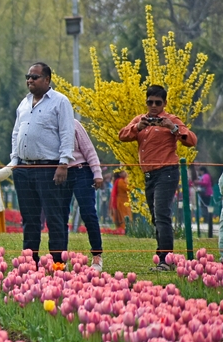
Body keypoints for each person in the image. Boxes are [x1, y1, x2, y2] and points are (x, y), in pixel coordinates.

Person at [118, 84, 197, 270]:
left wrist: (174, 128)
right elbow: (122, 135)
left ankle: (165, 260)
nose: (153, 106)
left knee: (162, 214)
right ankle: (163, 256)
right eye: (150, 102)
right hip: (149, 174)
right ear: (146, 102)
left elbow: (191, 140)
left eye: (157, 103)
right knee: (156, 216)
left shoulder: (171, 119)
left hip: (167, 171)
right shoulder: (140, 119)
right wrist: (137, 127)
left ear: (164, 103)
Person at [10, 62, 76, 266]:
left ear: (47, 79)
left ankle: (57, 262)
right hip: (23, 168)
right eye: (27, 76)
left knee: (54, 217)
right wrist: (14, 161)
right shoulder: (24, 103)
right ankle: (30, 261)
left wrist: (63, 163)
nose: (30, 80)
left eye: (34, 77)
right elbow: (15, 133)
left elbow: (67, 133)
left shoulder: (60, 102)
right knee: (29, 218)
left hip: (49, 168)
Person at [69, 120, 105, 271]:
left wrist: (97, 173)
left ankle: (97, 254)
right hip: (59, 172)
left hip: (81, 171)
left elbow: (89, 150)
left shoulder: (74, 124)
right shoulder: (47, 125)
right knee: (59, 215)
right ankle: (59, 257)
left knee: (88, 213)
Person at [193, 165, 214, 232]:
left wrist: (198, 182)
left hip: (206, 193)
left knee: (205, 207)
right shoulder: (204, 176)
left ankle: (207, 219)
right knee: (203, 207)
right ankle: (205, 218)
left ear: (202, 171)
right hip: (203, 193)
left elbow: (205, 183)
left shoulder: (206, 176)